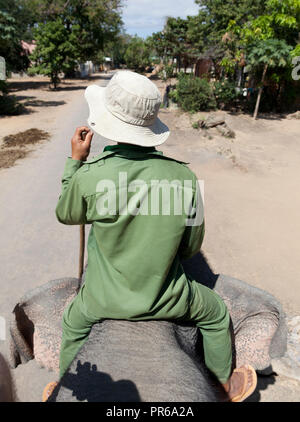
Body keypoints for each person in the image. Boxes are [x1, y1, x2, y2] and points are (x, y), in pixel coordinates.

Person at [43, 71, 257, 402]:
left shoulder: (89, 175)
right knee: (216, 314)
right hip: (170, 299)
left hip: (100, 300)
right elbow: (190, 248)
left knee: (71, 325)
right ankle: (221, 386)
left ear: (107, 123)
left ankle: (65, 386)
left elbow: (66, 214)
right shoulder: (185, 176)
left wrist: (75, 162)